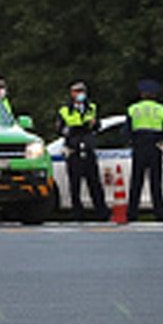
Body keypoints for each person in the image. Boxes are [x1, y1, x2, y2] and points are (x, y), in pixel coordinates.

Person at [56, 79, 110, 221]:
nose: (80, 94)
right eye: (77, 91)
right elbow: (60, 129)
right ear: (72, 93)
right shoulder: (65, 110)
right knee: (75, 185)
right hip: (74, 149)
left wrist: (94, 123)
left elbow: (98, 126)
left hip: (88, 148)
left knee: (95, 184)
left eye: (82, 91)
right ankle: (78, 214)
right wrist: (72, 129)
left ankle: (102, 213)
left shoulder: (91, 107)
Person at [125, 78, 163, 222]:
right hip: (155, 147)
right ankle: (159, 214)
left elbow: (126, 131)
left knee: (136, 183)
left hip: (139, 148)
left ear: (141, 94)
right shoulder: (161, 110)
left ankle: (132, 214)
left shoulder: (133, 109)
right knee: (155, 184)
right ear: (155, 94)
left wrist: (132, 142)